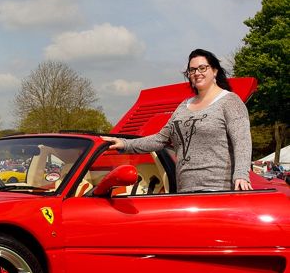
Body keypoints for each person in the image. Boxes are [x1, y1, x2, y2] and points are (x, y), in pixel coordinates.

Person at [103, 48, 253, 192]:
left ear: (214, 71)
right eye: (192, 70)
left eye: (202, 68)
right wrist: (124, 143)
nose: (197, 73)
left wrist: (241, 175)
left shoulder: (230, 101)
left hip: (218, 189)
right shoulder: (183, 106)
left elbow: (242, 141)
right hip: (184, 189)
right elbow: (160, 139)